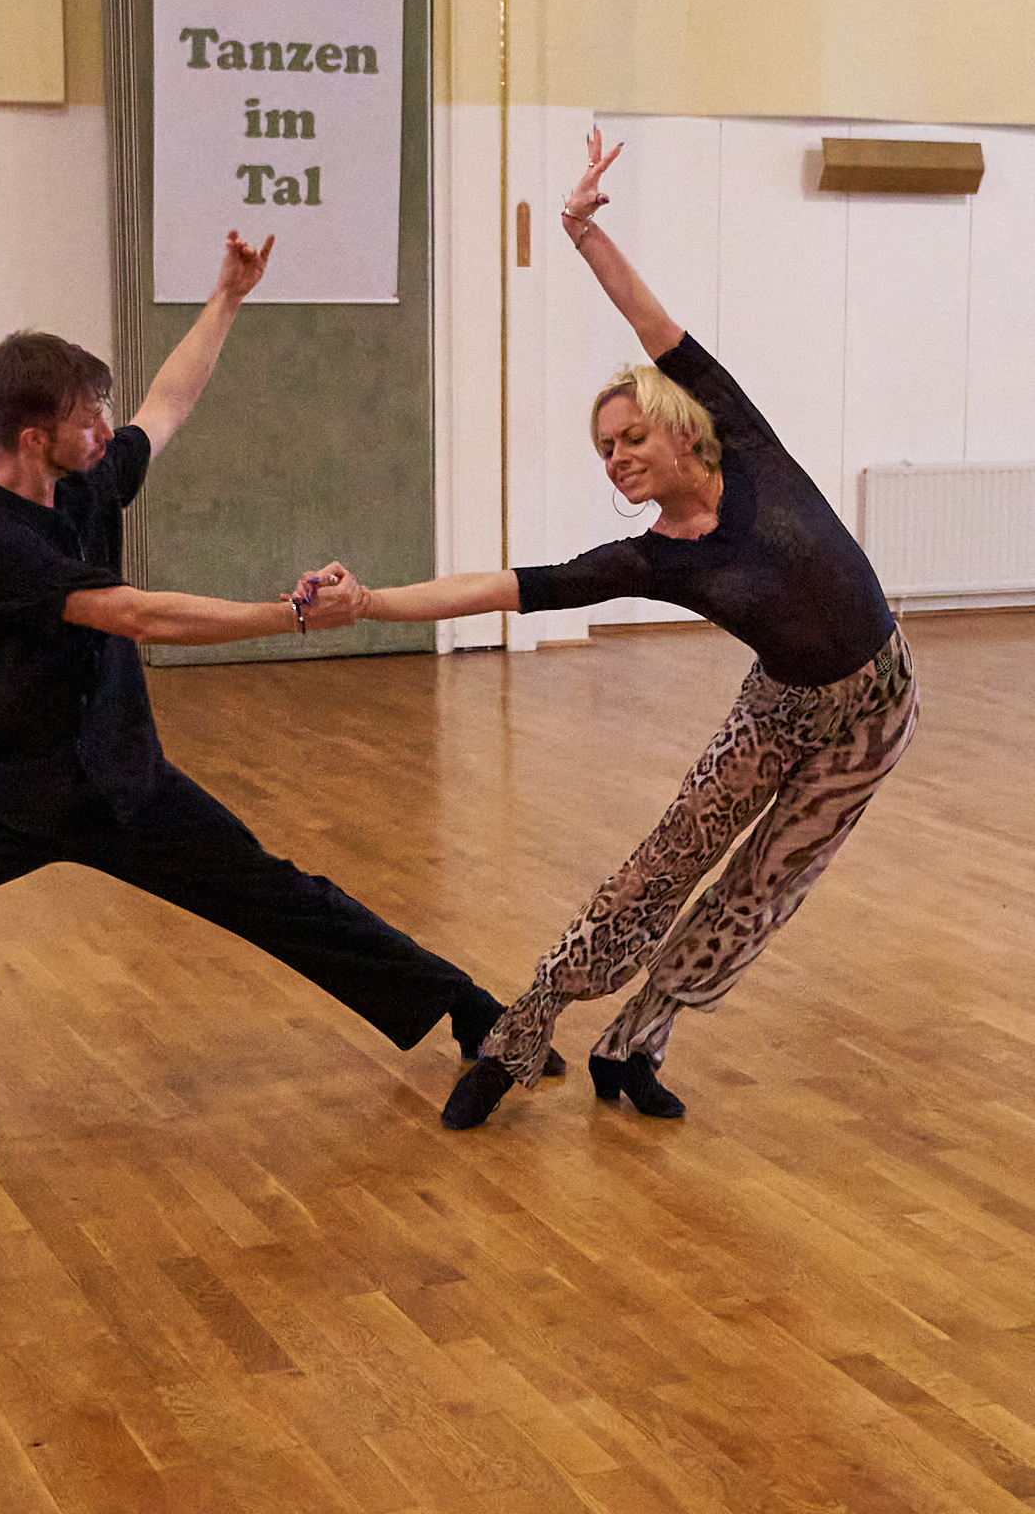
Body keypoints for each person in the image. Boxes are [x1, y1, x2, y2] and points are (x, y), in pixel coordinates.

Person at [0, 231, 526, 1151]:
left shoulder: (83, 485)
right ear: (34, 438)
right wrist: (292, 617)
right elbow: (143, 617)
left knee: (274, 893)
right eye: (87, 418)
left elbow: (167, 405)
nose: (104, 430)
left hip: (117, 775)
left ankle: (469, 1009)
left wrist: (228, 295)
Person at [309, 133, 919, 1131]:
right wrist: (371, 601)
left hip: (877, 714)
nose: (617, 457)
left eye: (631, 436)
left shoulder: (749, 446)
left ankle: (634, 1044)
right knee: (657, 870)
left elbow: (651, 322)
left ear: (683, 428)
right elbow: (507, 587)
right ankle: (516, 1039)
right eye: (603, 449)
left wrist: (580, 230)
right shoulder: (649, 558)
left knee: (759, 893)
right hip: (779, 712)